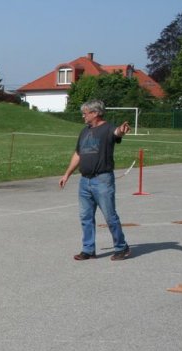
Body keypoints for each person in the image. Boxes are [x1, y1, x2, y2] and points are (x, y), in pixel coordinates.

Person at [59, 99, 131, 261]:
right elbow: (78, 154)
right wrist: (67, 174)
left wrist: (122, 130)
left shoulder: (107, 128)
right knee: (85, 217)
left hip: (102, 180)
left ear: (95, 113)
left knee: (110, 216)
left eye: (85, 113)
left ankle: (121, 247)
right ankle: (88, 249)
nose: (83, 116)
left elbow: (117, 132)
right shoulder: (84, 131)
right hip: (85, 181)